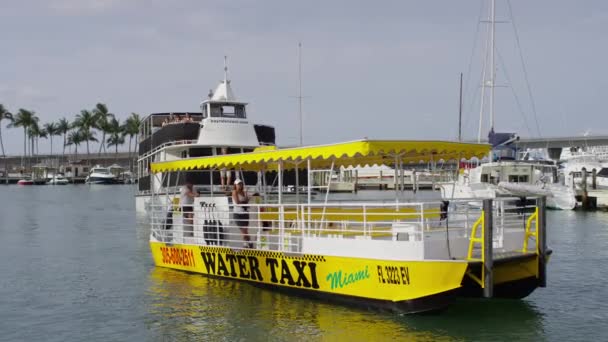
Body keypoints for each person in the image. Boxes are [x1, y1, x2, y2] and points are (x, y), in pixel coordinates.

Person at [232, 179, 252, 248]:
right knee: (243, 231)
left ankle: (246, 244)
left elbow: (246, 201)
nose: (240, 185)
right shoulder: (234, 192)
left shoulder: (243, 192)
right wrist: (245, 202)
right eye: (238, 184)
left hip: (245, 213)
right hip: (237, 213)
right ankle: (249, 243)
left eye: (241, 184)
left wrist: (246, 194)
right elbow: (237, 202)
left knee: (245, 230)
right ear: (235, 185)